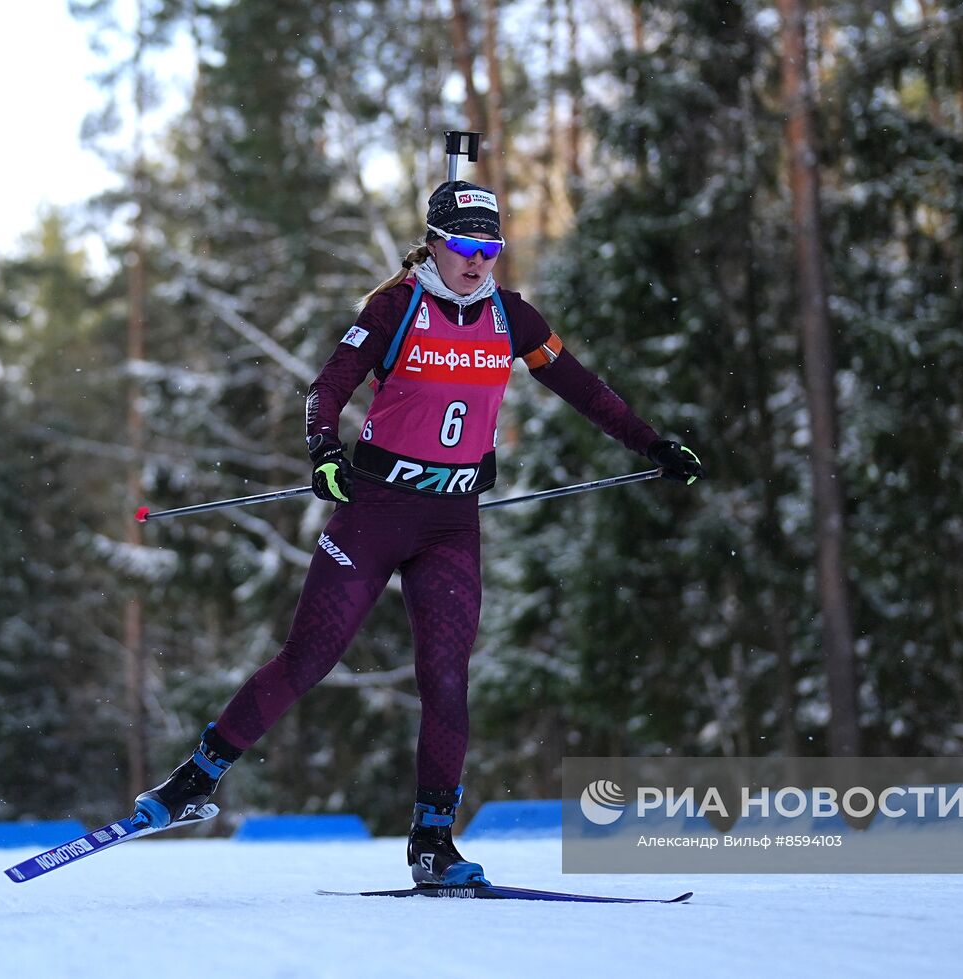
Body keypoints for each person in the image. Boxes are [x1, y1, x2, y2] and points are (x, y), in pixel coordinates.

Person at [133, 180, 705, 887]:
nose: (477, 261)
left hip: (450, 523)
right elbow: (327, 388)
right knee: (309, 656)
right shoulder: (394, 307)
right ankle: (194, 781)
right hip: (374, 511)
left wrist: (652, 445)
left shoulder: (513, 318)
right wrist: (323, 451)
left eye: (489, 247)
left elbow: (585, 390)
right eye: (464, 245)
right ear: (434, 241)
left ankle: (434, 841)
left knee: (446, 676)